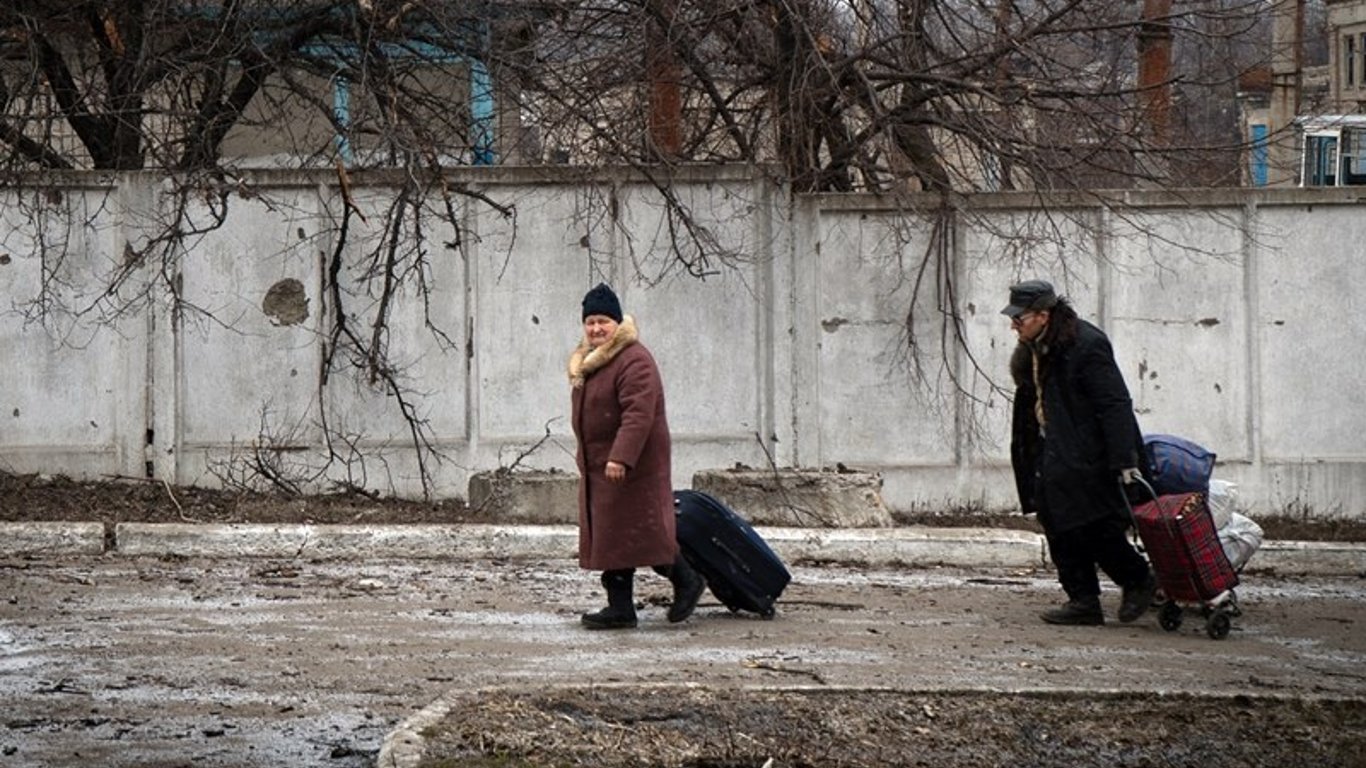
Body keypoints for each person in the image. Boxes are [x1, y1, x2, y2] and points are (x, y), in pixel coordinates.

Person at [1004, 279, 1158, 626]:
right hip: (1052, 451)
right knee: (1057, 522)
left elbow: (1114, 403)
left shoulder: (1085, 345)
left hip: (1090, 455)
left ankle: (1137, 579)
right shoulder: (1034, 348)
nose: (1013, 324)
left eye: (1019, 318)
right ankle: (1082, 599)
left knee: (1093, 524)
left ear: (1043, 315)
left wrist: (1124, 461)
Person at [567, 283, 704, 629]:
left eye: (603, 322)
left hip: (633, 468)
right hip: (603, 466)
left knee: (644, 534)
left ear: (617, 323)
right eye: (591, 322)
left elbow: (638, 414)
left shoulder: (634, 360)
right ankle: (620, 609)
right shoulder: (593, 361)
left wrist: (621, 457)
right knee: (614, 537)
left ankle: (688, 580)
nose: (596, 328)